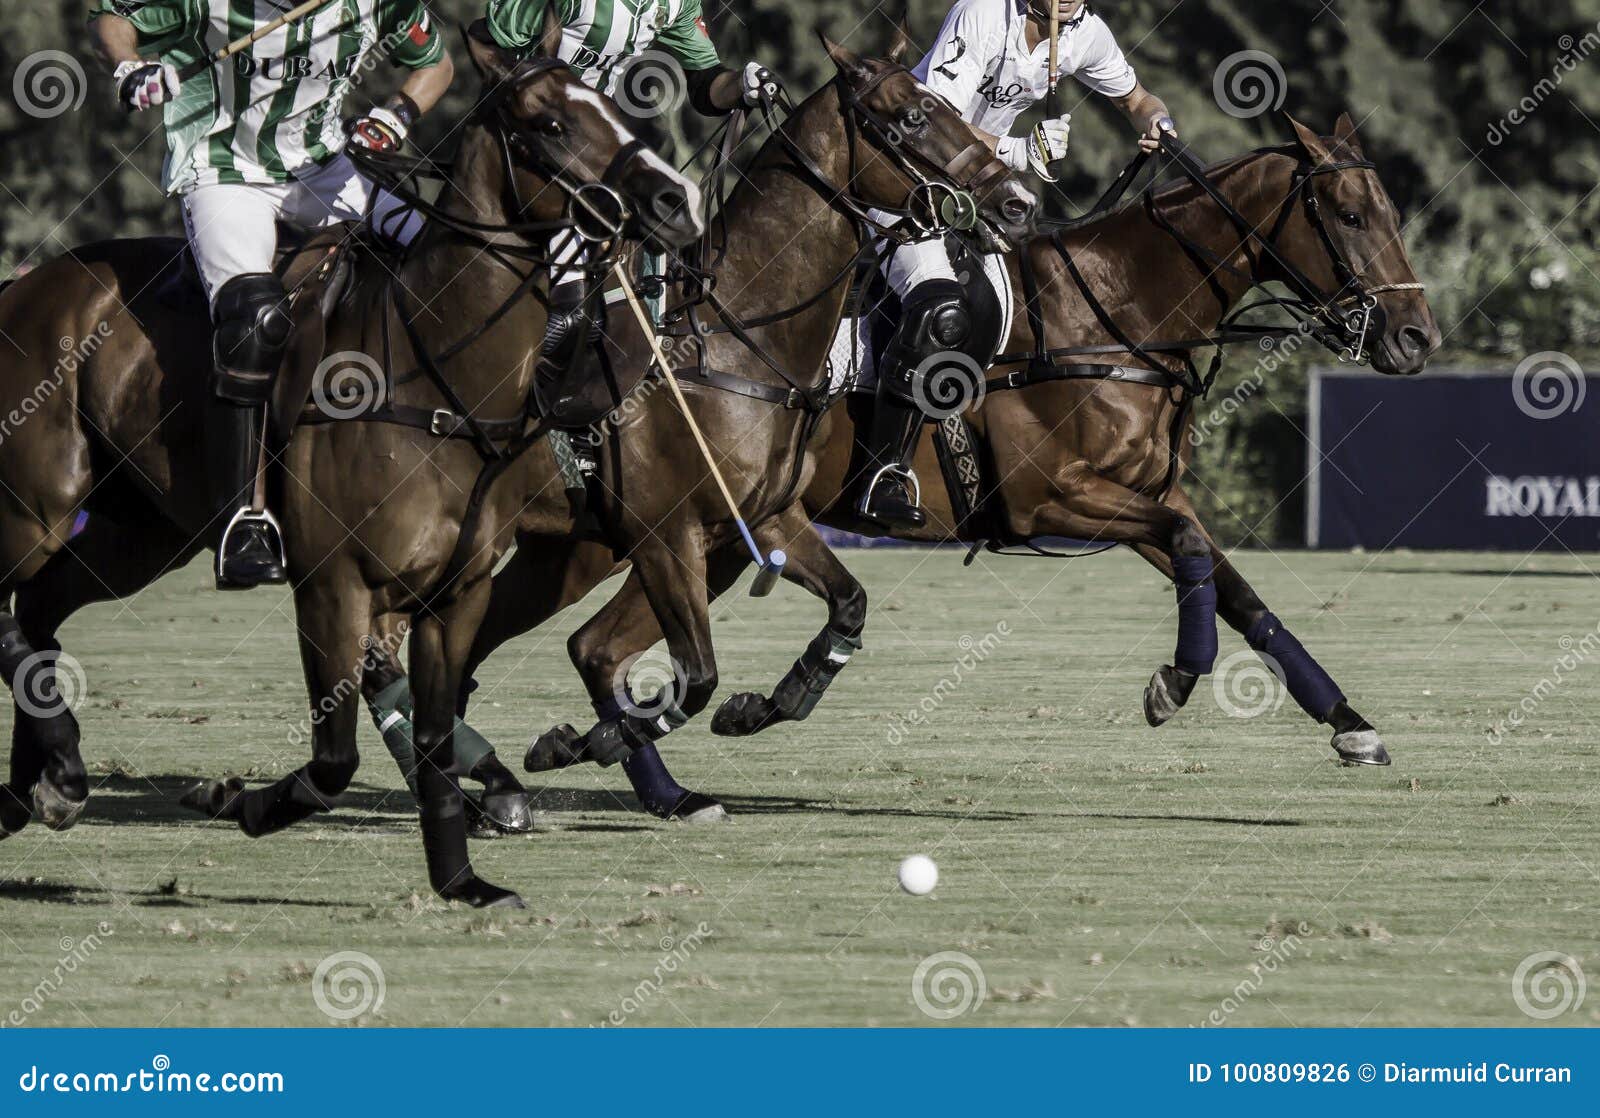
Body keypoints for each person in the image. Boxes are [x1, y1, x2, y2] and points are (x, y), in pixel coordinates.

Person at [88, 0, 455, 588]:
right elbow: (113, 17)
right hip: (225, 171)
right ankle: (243, 517)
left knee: (450, 264)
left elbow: (435, 63)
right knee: (255, 318)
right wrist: (130, 67)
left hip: (324, 167)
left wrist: (397, 114)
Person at [858, 0, 1177, 528]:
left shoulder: (1084, 34)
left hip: (971, 194)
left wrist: (1158, 122)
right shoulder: (982, 13)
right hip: (903, 180)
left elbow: (1138, 98)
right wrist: (1018, 150)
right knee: (937, 308)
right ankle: (883, 472)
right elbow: (932, 117)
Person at [483, 0, 781, 422]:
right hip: (533, 146)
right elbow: (488, 39)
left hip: (596, 148)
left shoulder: (674, 4)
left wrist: (741, 83)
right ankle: (512, 416)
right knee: (568, 314)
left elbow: (705, 84)